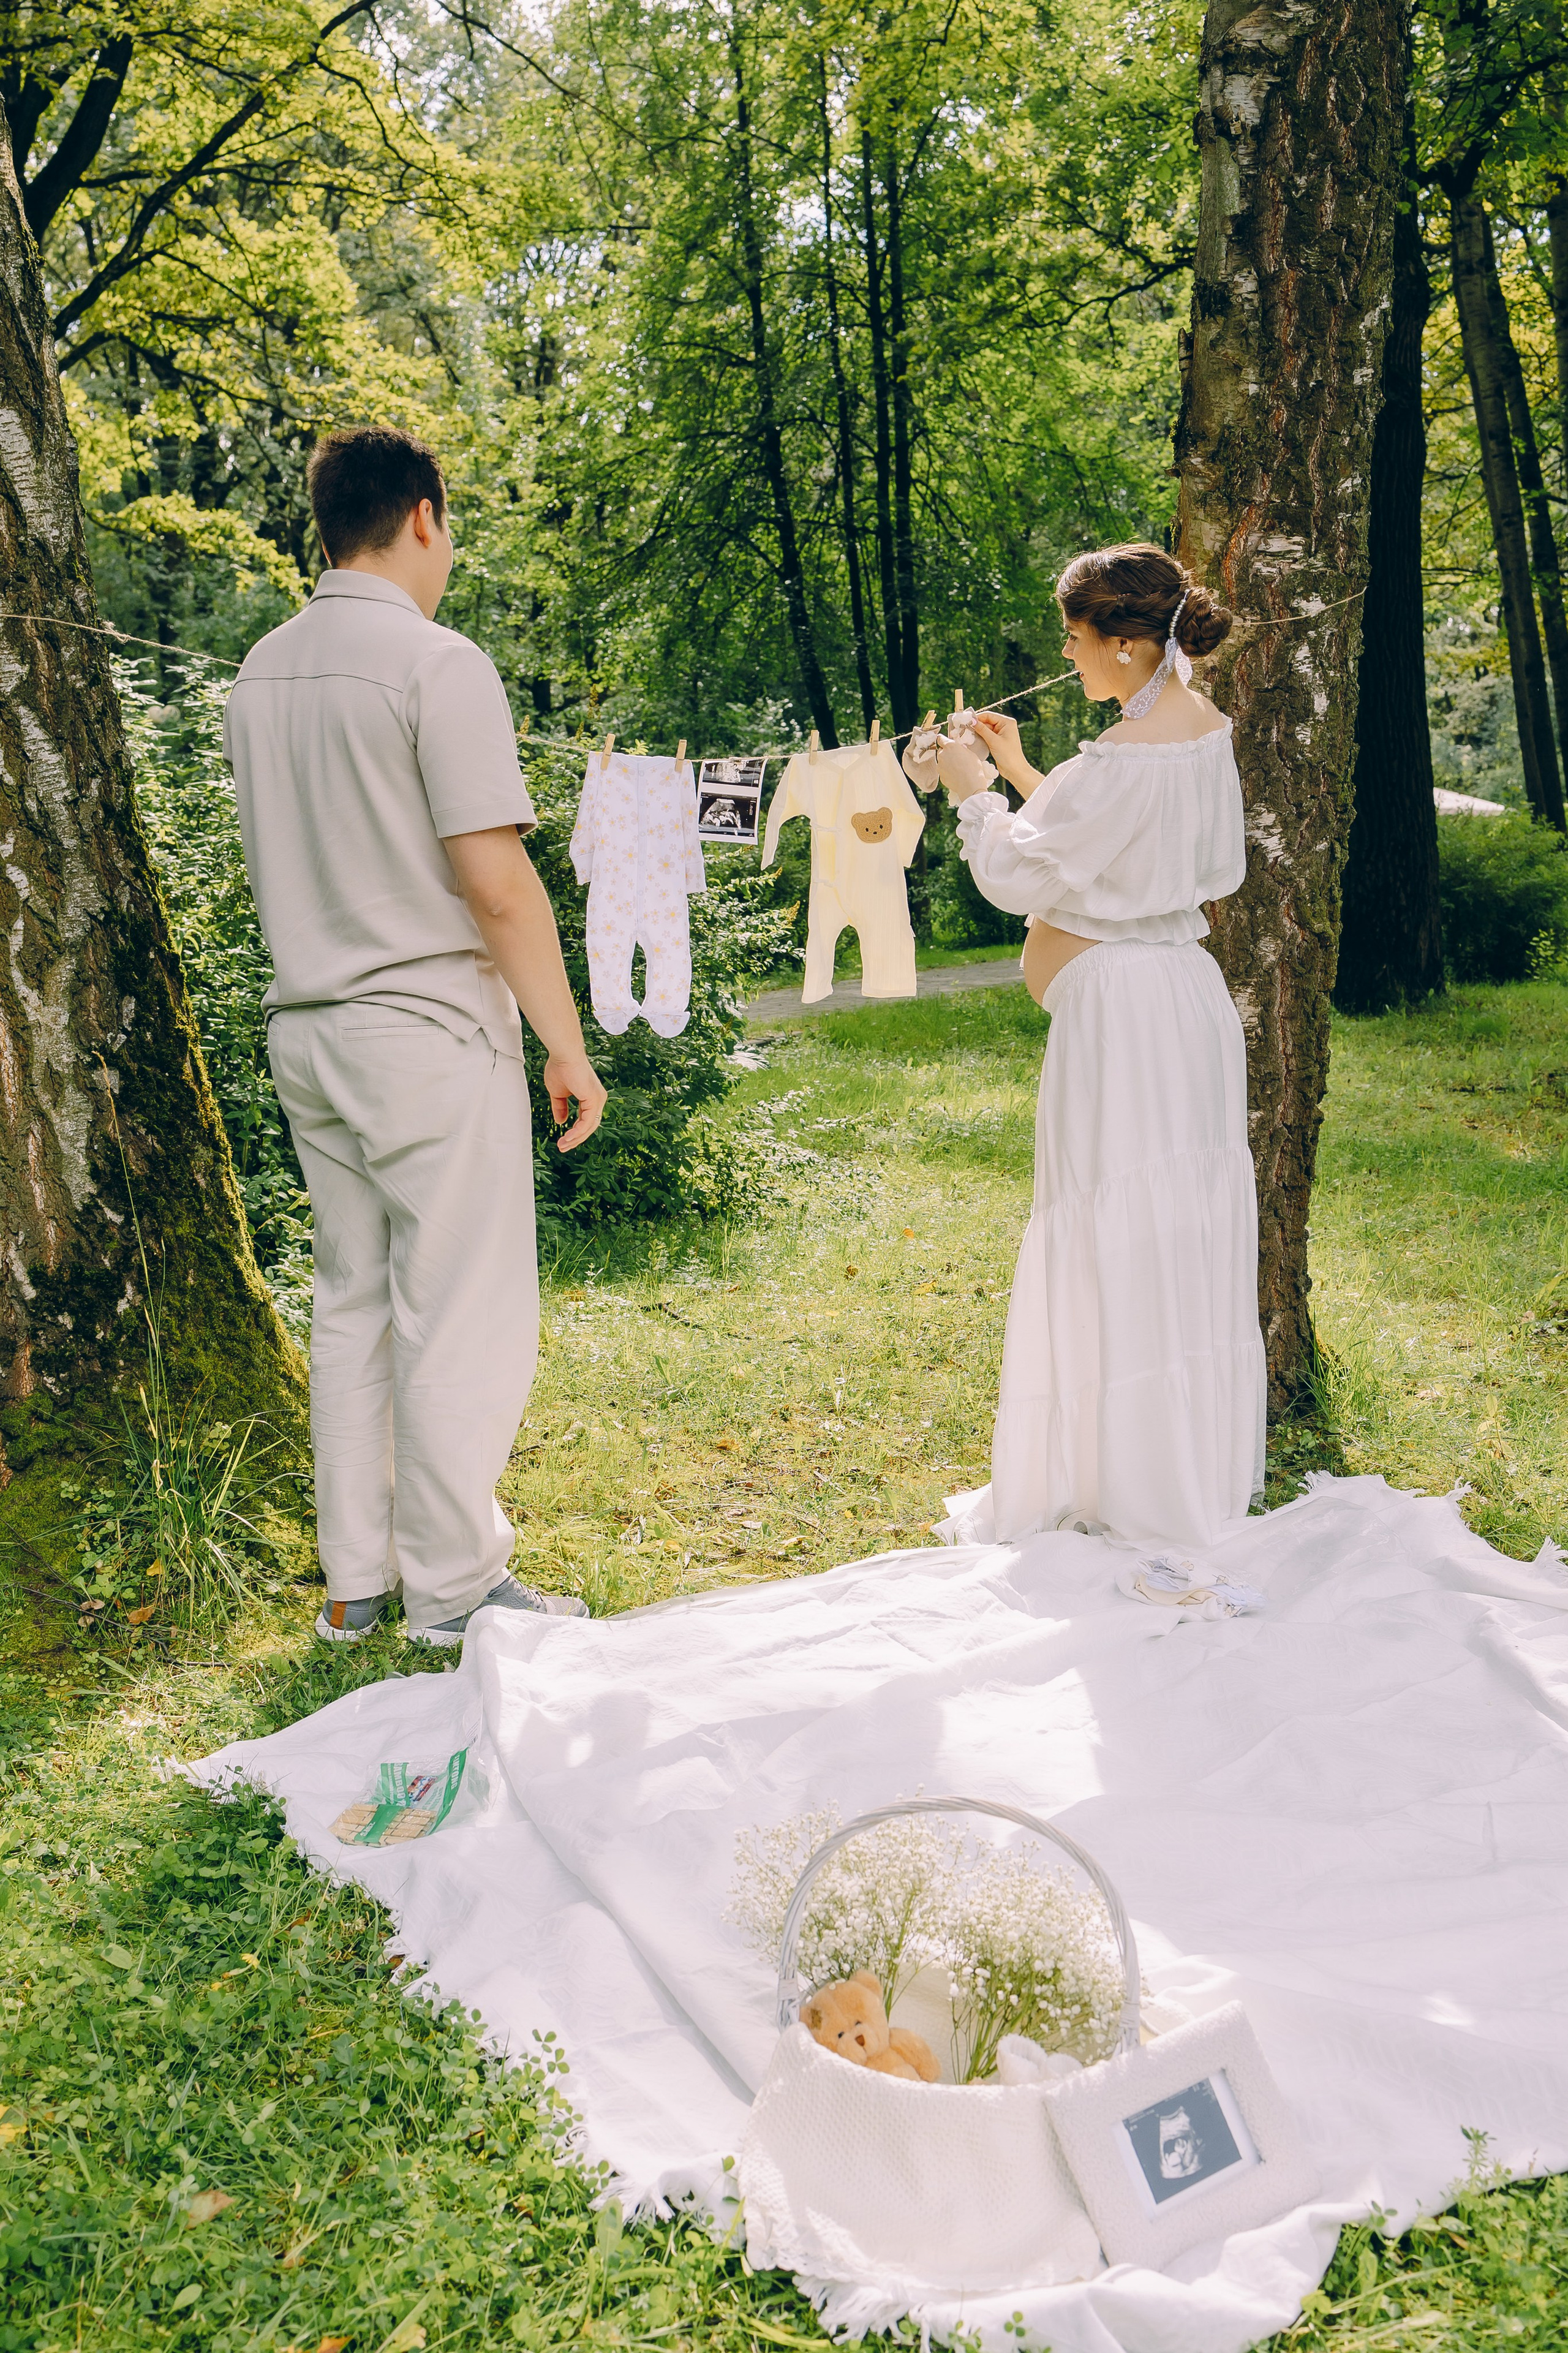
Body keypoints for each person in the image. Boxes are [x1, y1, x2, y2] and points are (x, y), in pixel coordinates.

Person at [224, 425, 607, 1645]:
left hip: (309, 1028)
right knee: (461, 1305)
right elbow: (494, 880)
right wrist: (564, 1041)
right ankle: (452, 1586)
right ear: (424, 518)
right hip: (425, 1029)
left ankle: (357, 1583)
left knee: (352, 1302)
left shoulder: (257, 673)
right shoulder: (437, 665)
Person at [932, 542, 1265, 1553]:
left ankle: (1125, 1477)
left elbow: (1024, 878)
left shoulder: (1122, 760)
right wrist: (1027, 768)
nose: (1069, 660)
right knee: (1159, 1234)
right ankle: (1155, 1462)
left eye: (1076, 643)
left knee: (1120, 1232)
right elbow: (1107, 836)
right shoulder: (1201, 731)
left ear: (1125, 646)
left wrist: (971, 791)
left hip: (1125, 1020)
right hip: (1180, 1003)